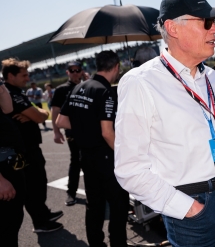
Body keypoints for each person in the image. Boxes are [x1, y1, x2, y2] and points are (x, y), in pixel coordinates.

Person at [114, 0, 215, 247]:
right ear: (173, 28)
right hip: (192, 206)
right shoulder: (141, 82)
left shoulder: (213, 77)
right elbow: (129, 169)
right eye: (207, 22)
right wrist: (188, 208)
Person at [56, 51, 129, 247]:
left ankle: (96, 244)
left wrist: (85, 127)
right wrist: (125, 157)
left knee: (94, 205)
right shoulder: (105, 91)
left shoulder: (78, 87)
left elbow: (61, 120)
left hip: (85, 156)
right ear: (116, 67)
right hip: (105, 157)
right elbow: (107, 132)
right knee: (118, 204)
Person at [2, 58, 63, 233]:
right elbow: (40, 116)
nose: (27, 78)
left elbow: (41, 112)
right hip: (24, 150)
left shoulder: (16, 92)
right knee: (34, 186)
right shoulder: (11, 94)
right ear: (10, 76)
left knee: (38, 183)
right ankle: (40, 222)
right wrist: (35, 114)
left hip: (29, 147)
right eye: (24, 75)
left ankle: (43, 214)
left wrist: (36, 113)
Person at [50, 61, 84, 206]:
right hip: (72, 132)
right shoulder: (61, 89)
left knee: (93, 162)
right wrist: (56, 132)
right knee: (76, 162)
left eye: (78, 70)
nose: (75, 72)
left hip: (90, 131)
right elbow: (55, 112)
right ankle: (71, 193)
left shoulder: (87, 85)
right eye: (72, 70)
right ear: (67, 72)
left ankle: (98, 193)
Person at [0, 77, 26, 246]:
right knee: (5, 226)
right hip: (2, 172)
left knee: (14, 220)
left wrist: (1, 86)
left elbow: (8, 108)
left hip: (10, 163)